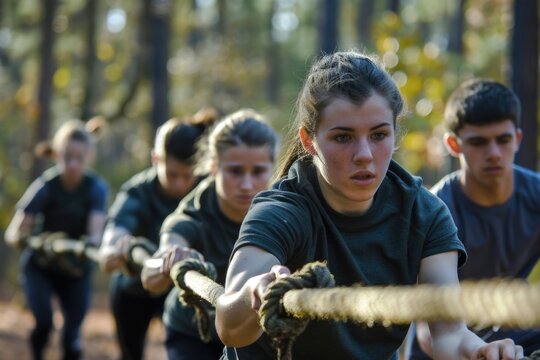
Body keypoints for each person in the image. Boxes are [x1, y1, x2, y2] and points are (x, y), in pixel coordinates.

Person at [214, 51, 524, 360]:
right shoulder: (281, 211)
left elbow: (449, 335)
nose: (364, 154)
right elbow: (229, 326)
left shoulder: (424, 213)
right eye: (343, 137)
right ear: (310, 141)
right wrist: (253, 294)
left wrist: (481, 352)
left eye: (378, 134)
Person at [410, 79, 540, 359]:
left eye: (502, 140)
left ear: (517, 139)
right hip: (439, 342)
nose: (493, 153)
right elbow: (427, 331)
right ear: (454, 144)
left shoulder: (537, 196)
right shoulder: (433, 210)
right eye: (479, 142)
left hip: (511, 333)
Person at [141, 109, 278, 360]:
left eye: (258, 171)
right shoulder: (195, 212)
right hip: (193, 333)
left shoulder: (285, 213)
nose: (247, 184)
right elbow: (152, 274)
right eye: (235, 171)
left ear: (272, 168)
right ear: (214, 167)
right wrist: (170, 258)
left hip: (255, 336)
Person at [99, 109, 216, 360]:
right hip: (133, 292)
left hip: (182, 291)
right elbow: (113, 237)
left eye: (188, 175)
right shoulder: (137, 191)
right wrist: (117, 247)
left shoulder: (207, 192)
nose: (180, 184)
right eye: (173, 174)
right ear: (156, 160)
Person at [4, 118, 108, 360]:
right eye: (67, 157)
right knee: (44, 324)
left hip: (76, 271)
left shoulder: (96, 189)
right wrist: (28, 239)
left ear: (89, 157)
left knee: (72, 336)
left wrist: (90, 244)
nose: (72, 164)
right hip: (41, 267)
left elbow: (95, 233)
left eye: (79, 158)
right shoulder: (45, 186)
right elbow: (15, 230)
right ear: (57, 154)